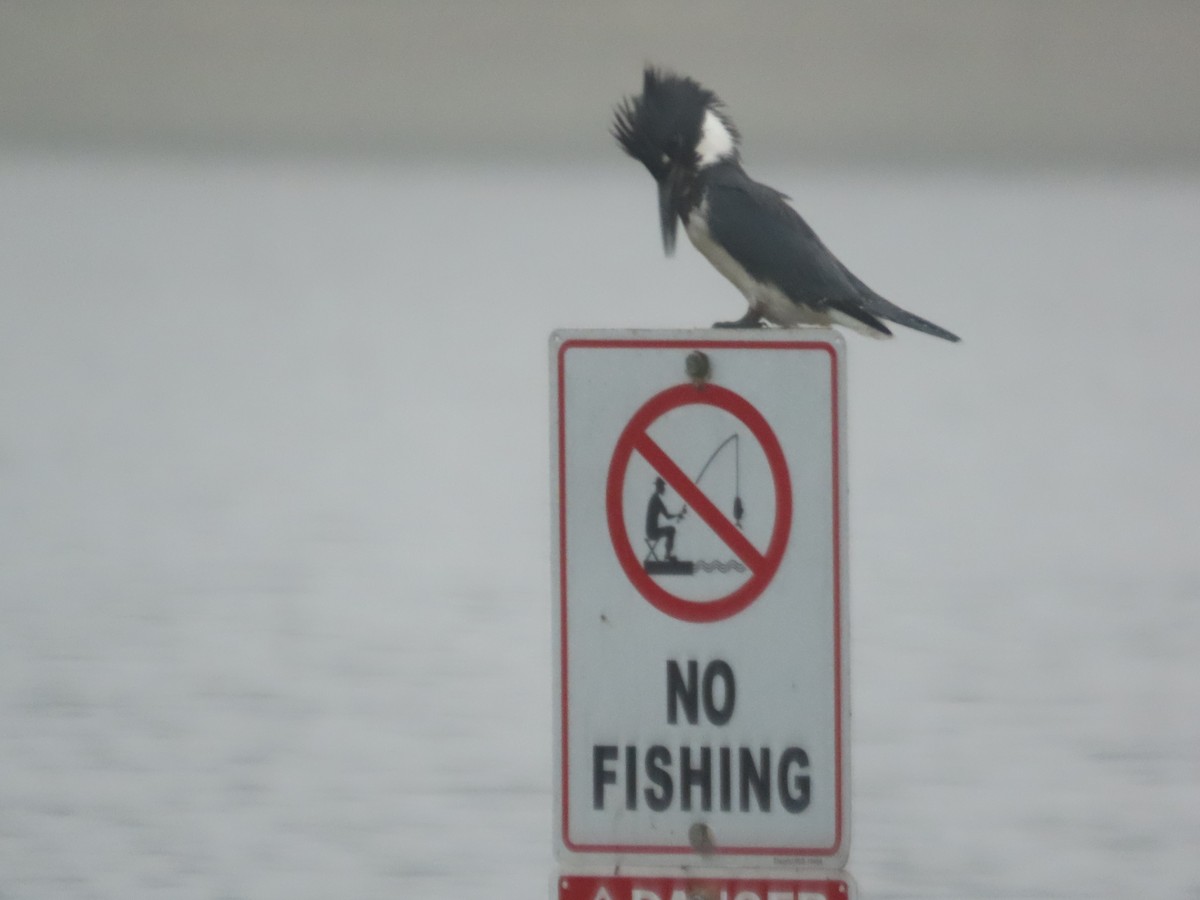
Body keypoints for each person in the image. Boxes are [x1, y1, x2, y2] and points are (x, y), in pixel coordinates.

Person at [645, 477, 685, 560]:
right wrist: (678, 515)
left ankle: (667, 554)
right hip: (652, 532)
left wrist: (678, 515)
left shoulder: (655, 498)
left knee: (670, 530)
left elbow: (667, 516)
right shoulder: (656, 500)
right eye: (663, 487)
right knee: (671, 530)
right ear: (659, 487)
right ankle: (667, 555)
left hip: (651, 530)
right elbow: (667, 516)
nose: (664, 489)